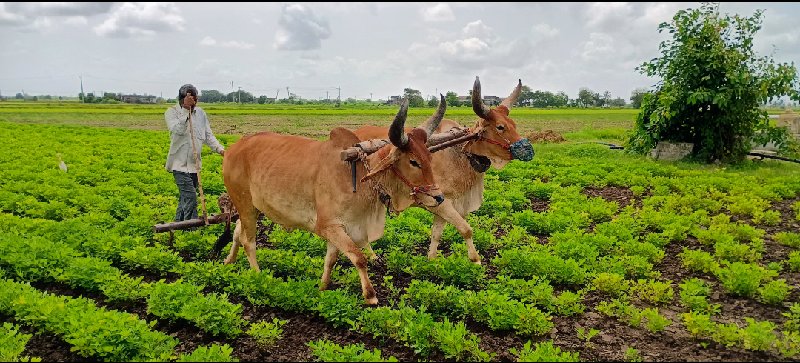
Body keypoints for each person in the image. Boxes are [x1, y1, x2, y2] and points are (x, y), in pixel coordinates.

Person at [165, 84, 225, 222]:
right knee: (191, 197)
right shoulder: (172, 112)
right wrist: (186, 111)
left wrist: (220, 149)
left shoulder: (201, 113)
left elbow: (208, 135)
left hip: (194, 165)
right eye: (191, 99)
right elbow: (178, 130)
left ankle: (178, 224)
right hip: (179, 165)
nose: (194, 103)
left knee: (185, 198)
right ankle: (190, 229)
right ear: (182, 99)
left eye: (195, 99)